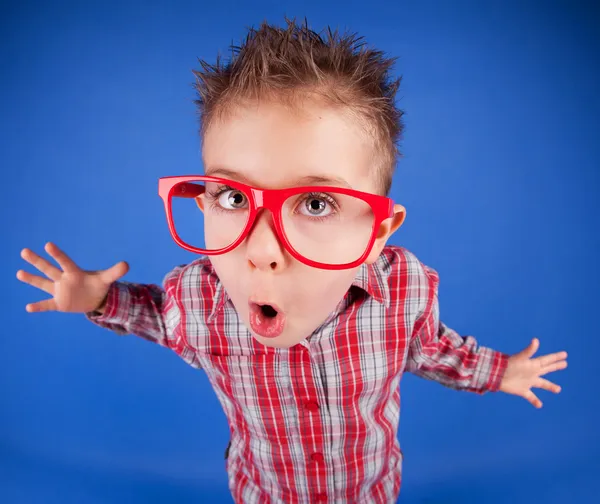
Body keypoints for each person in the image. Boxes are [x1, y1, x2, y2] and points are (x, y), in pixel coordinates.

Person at [16, 19, 567, 504]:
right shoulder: (199, 303)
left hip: (369, 490)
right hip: (262, 492)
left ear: (378, 232)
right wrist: (100, 299)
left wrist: (502, 371)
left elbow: (436, 350)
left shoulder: (404, 295)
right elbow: (158, 316)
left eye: (316, 203)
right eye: (232, 198)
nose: (261, 250)